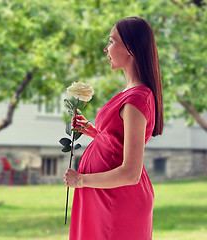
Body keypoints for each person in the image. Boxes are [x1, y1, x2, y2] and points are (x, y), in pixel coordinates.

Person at [63, 17, 163, 240]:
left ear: (130, 48)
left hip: (115, 200)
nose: (105, 48)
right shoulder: (131, 93)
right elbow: (119, 143)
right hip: (104, 196)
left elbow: (131, 173)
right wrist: (93, 132)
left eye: (111, 41)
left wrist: (80, 180)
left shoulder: (137, 98)